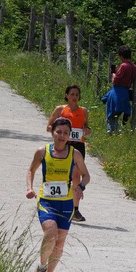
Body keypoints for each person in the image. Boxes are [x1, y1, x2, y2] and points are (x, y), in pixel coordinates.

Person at [26, 117, 90, 272]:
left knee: (60, 243)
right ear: (52, 132)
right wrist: (29, 188)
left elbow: (86, 175)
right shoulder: (42, 152)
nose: (62, 136)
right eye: (58, 132)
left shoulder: (74, 154)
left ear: (70, 135)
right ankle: (41, 267)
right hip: (47, 201)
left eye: (65, 133)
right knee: (50, 231)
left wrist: (80, 186)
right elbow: (31, 170)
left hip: (66, 204)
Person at [46, 85, 91, 222]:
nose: (74, 97)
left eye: (77, 94)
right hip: (63, 144)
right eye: (72, 94)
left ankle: (75, 210)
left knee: (76, 175)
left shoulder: (83, 111)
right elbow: (48, 126)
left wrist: (87, 130)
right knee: (61, 174)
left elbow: (86, 127)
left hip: (79, 146)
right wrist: (61, 132)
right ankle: (54, 205)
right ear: (66, 95)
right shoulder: (60, 109)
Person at [102, 45, 136, 134]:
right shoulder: (134, 67)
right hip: (125, 92)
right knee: (117, 115)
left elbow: (115, 80)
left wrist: (113, 73)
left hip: (117, 92)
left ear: (121, 56)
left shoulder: (123, 66)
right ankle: (116, 131)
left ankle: (111, 132)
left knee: (111, 114)